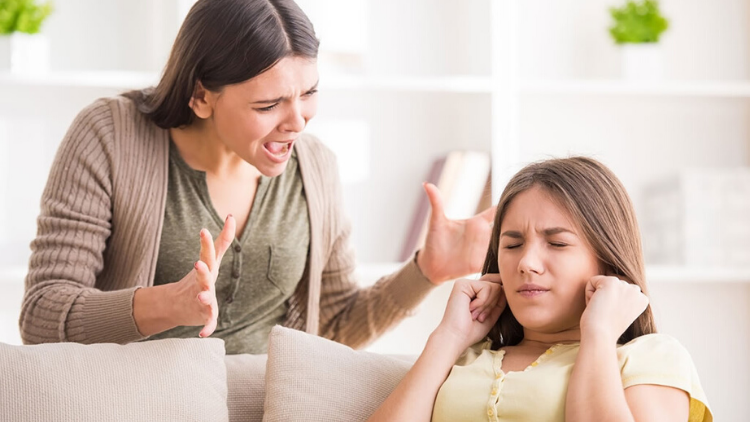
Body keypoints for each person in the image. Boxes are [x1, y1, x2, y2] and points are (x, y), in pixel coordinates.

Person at [18, 0, 494, 354]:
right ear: (201, 96)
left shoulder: (316, 167)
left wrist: (424, 272)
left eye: (308, 93)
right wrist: (170, 304)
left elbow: (331, 328)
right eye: (268, 105)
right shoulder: (110, 135)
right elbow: (42, 316)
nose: (298, 122)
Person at [368, 157, 712, 422]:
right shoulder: (461, 358)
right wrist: (448, 337)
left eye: (557, 243)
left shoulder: (650, 358)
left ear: (606, 260)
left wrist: (598, 334)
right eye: (512, 244)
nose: (526, 263)